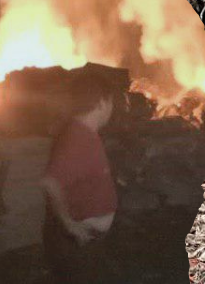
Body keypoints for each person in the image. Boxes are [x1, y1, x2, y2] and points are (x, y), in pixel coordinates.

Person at [41, 79, 117, 283]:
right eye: (111, 102)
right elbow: (50, 182)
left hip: (88, 240)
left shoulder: (85, 133)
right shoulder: (78, 137)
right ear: (102, 102)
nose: (112, 108)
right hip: (78, 241)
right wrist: (69, 224)